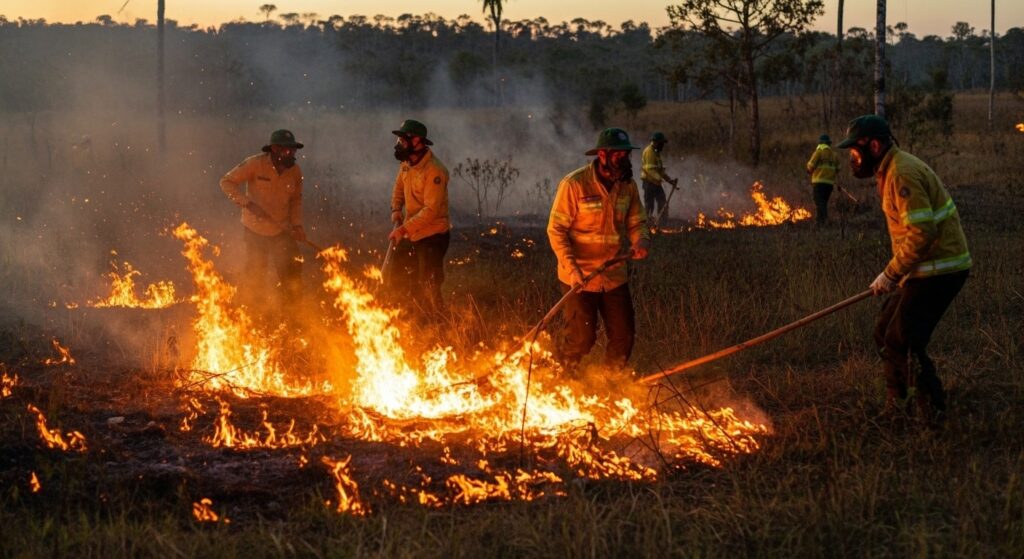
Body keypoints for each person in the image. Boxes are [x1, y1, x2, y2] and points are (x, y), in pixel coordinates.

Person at [837, 115, 972, 421]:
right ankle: (898, 406)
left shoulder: (902, 173)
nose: (853, 159)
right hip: (923, 268)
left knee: (903, 340)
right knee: (885, 330)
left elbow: (922, 234)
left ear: (873, 145)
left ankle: (933, 414)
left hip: (941, 270)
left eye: (855, 152)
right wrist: (898, 273)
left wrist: (891, 273)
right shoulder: (891, 169)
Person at [547, 128, 650, 374]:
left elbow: (637, 222)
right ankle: (563, 379)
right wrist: (572, 269)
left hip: (614, 276)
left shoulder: (628, 187)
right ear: (602, 155)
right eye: (618, 155)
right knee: (582, 338)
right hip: (579, 277)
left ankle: (608, 384)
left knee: (623, 337)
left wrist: (641, 241)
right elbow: (556, 230)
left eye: (627, 155)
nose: (624, 160)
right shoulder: (574, 185)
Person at [220, 129, 306, 311]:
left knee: (292, 272)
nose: (291, 153)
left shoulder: (295, 171)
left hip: (282, 230)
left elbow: (296, 200)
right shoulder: (254, 164)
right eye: (286, 150)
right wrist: (248, 204)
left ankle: (292, 314)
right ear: (274, 149)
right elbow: (226, 182)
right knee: (256, 274)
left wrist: (297, 225)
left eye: (293, 150)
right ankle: (254, 313)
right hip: (255, 230)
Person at [388, 119, 451, 314]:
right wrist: (396, 208)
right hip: (412, 231)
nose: (400, 145)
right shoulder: (406, 165)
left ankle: (438, 320)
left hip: (433, 234)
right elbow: (399, 187)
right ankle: (407, 316)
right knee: (398, 273)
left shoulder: (435, 171)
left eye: (403, 140)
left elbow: (430, 211)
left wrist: (403, 229)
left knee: (429, 282)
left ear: (417, 141)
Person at [640, 131, 679, 225]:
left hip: (656, 183)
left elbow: (660, 171)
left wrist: (669, 180)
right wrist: (660, 179)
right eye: (661, 143)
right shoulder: (649, 152)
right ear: (656, 142)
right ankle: (646, 224)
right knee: (650, 204)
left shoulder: (656, 152)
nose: (663, 146)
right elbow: (650, 170)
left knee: (662, 201)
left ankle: (662, 222)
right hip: (649, 183)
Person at [806, 133, 840, 226]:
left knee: (819, 202)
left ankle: (825, 220)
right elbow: (838, 169)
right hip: (829, 184)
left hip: (819, 183)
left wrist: (809, 170)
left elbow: (810, 166)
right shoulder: (834, 155)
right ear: (829, 144)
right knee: (823, 202)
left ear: (820, 143)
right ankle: (819, 223)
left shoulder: (818, 153)